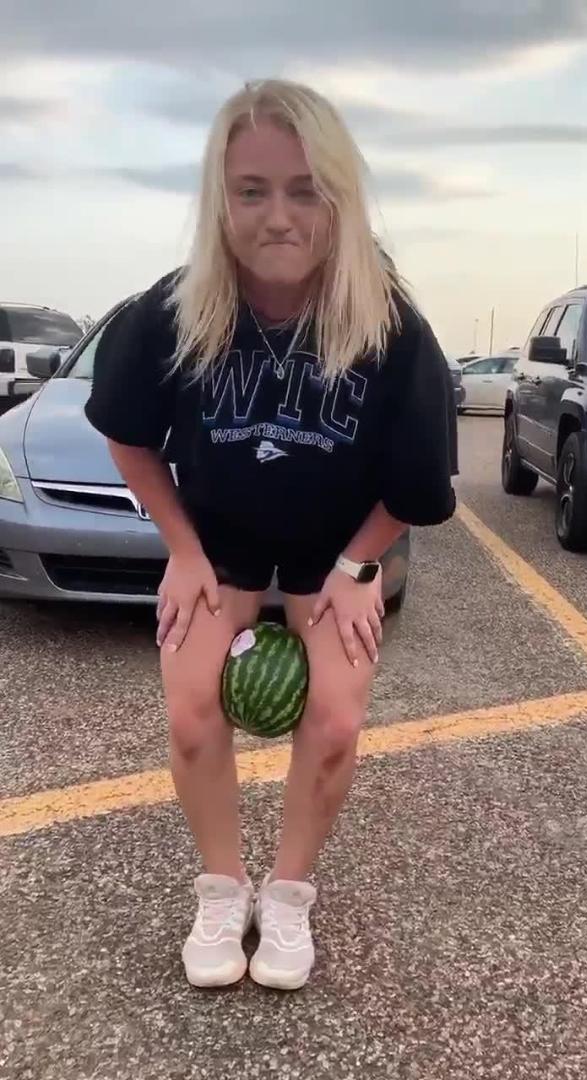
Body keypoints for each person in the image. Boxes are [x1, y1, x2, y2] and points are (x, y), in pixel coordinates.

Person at [85, 77, 457, 992]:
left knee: (333, 720)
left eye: (304, 190)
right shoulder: (175, 310)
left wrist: (358, 566)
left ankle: (288, 896)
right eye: (251, 191)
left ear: (340, 198)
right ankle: (223, 890)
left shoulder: (388, 323)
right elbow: (127, 434)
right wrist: (182, 550)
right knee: (191, 712)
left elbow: (417, 481)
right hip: (220, 540)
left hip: (337, 548)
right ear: (220, 199)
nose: (278, 216)